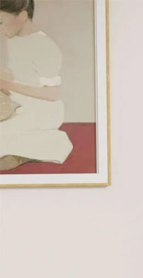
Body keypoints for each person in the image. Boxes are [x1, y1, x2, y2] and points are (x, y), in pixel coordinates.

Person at [0, 0, 72, 171]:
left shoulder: (44, 46)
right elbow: (22, 76)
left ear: (22, 16)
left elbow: (52, 94)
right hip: (18, 102)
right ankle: (18, 152)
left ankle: (45, 147)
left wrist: (6, 83)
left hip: (42, 108)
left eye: (0, 22)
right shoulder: (14, 39)